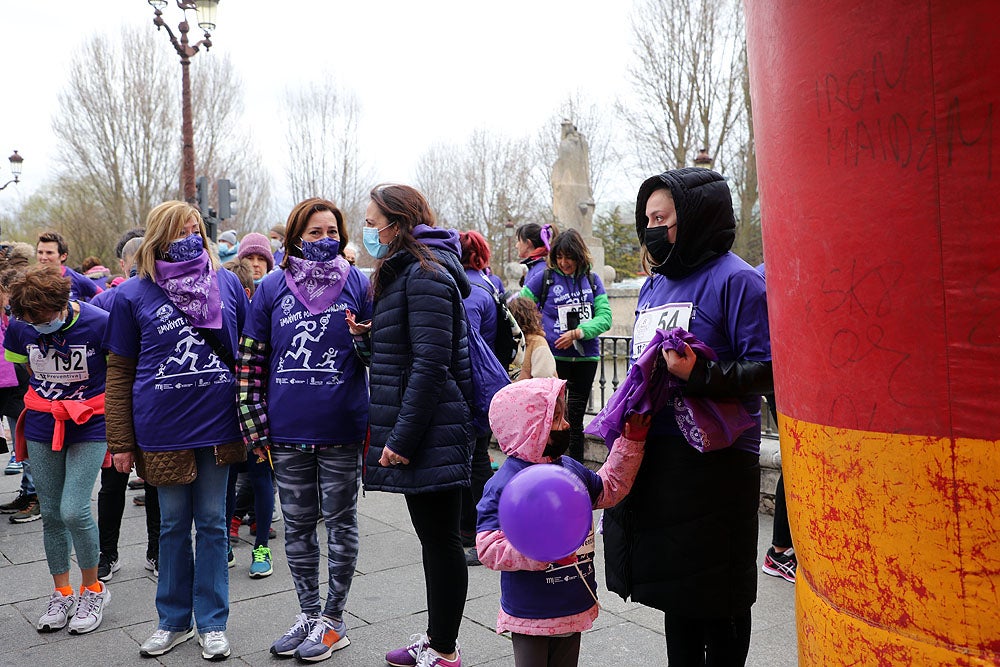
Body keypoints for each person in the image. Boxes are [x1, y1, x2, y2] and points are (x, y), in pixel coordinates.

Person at [602, 168, 772, 665]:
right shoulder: (655, 285)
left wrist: (701, 373)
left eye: (664, 217)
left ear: (695, 218)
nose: (653, 227)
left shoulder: (736, 280)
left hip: (716, 467)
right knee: (675, 596)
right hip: (661, 457)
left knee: (718, 600)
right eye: (648, 218)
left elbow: (769, 370)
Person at [103, 200, 248, 660]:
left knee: (211, 524)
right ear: (157, 235)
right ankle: (171, 621)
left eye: (193, 227)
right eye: (177, 228)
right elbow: (119, 370)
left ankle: (212, 623)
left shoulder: (224, 281)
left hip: (219, 425)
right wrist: (120, 441)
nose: (188, 234)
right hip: (162, 429)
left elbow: (246, 355)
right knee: (170, 525)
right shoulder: (133, 293)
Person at [238, 197, 372, 661]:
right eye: (314, 233)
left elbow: (381, 355)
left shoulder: (360, 283)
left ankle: (334, 621)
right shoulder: (272, 286)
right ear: (296, 236)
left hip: (341, 429)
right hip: (285, 432)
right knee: (296, 527)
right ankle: (308, 613)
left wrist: (364, 338)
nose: (325, 240)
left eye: (332, 231)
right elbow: (251, 360)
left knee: (340, 524)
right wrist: (254, 428)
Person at [347, 184, 473, 667]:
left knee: (442, 542)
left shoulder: (424, 275)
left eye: (373, 222)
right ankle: (439, 638)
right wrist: (368, 339)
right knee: (434, 540)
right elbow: (402, 356)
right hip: (425, 427)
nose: (369, 231)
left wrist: (400, 440)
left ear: (397, 224)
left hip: (432, 429)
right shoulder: (402, 275)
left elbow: (430, 367)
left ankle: (444, 649)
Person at [476, 378, 649, 667]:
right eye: (556, 418)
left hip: (573, 599)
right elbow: (488, 546)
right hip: (531, 609)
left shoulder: (569, 470)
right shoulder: (504, 484)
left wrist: (631, 442)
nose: (567, 425)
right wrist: (539, 552)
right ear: (530, 428)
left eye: (564, 415)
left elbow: (609, 487)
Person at [4, 266, 111, 634]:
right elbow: (21, 369)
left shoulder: (99, 323)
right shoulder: (21, 327)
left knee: (74, 509)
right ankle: (62, 591)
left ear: (63, 305)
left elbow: (120, 372)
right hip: (41, 421)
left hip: (90, 422)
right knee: (50, 512)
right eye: (30, 322)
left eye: (44, 320)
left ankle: (93, 589)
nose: (38, 327)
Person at [93, 234, 161, 581]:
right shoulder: (105, 302)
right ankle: (124, 552)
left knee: (132, 482)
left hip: (135, 403)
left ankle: (132, 553)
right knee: (127, 483)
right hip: (127, 404)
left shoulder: (111, 300)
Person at [519, 229, 612, 463]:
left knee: (576, 418)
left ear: (579, 255)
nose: (563, 262)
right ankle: (549, 464)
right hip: (554, 360)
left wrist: (579, 332)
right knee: (550, 416)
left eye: (568, 257)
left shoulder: (592, 280)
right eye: (559, 257)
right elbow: (520, 308)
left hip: (585, 360)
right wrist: (539, 335)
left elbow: (605, 317)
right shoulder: (545, 278)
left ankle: (575, 469)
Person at [456, 230, 499, 566]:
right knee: (480, 455)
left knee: (470, 460)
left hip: (466, 386)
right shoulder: (488, 286)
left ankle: (473, 530)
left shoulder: (464, 291)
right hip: (486, 385)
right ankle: (483, 526)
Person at [755, 263, 796, 584]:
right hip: (782, 373)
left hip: (787, 372)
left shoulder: (770, 269)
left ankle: (785, 548)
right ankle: (780, 551)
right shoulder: (769, 273)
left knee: (797, 458)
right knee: (795, 460)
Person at [36, 232, 102, 302]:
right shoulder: (28, 279)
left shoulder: (77, 279)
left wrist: (84, 309)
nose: (43, 257)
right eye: (40, 252)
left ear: (63, 256)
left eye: (49, 253)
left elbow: (103, 299)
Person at [506, 297, 556, 381]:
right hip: (528, 393)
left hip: (506, 392)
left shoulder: (504, 341)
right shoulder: (537, 342)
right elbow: (544, 377)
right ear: (533, 316)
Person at [514, 223, 554, 287]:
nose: (516, 246)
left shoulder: (540, 270)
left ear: (528, 243)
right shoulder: (540, 266)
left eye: (519, 241)